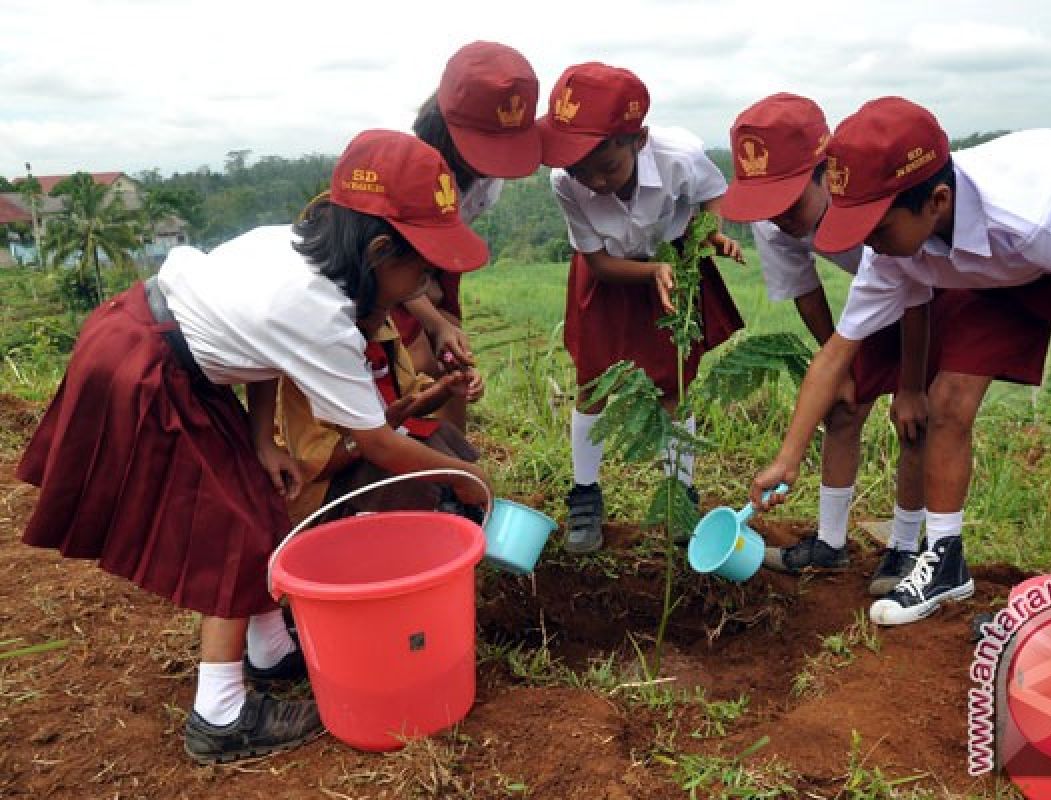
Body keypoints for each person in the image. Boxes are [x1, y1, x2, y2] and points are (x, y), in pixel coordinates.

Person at [16, 130, 491, 762]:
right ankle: (220, 718)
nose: (424, 281)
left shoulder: (300, 247)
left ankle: (271, 653)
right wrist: (464, 476)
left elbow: (266, 355)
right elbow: (380, 443)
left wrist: (262, 438)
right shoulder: (320, 315)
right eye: (420, 267)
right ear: (378, 251)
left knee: (260, 503)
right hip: (146, 367)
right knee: (232, 533)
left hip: (169, 349)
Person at [750, 97, 1051, 626]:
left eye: (876, 228)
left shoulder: (1038, 217)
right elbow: (835, 354)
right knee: (947, 402)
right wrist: (788, 457)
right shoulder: (897, 247)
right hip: (984, 269)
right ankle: (944, 562)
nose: (868, 244)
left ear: (935, 201)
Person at [721, 93, 962, 595]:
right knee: (843, 407)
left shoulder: (872, 199)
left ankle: (903, 547)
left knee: (915, 418)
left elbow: (919, 295)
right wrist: (839, 361)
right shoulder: (774, 221)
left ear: (827, 173)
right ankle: (830, 544)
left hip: (937, 292)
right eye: (768, 206)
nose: (780, 218)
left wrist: (910, 384)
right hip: (872, 301)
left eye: (790, 202)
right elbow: (805, 291)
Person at [537, 61, 745, 554]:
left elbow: (713, 198)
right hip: (610, 278)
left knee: (675, 383)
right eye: (580, 170)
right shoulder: (565, 183)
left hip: (676, 266)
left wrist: (705, 235)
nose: (595, 182)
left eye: (606, 166)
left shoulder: (681, 157)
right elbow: (600, 263)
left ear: (639, 140)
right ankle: (585, 495)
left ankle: (680, 494)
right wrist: (651, 274)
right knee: (593, 384)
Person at [402, 40, 543, 430]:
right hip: (387, 275)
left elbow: (447, 259)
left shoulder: (485, 182)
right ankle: (406, 467)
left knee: (453, 363)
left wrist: (445, 318)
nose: (489, 164)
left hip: (435, 269)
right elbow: (388, 268)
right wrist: (434, 319)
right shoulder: (410, 176)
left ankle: (455, 465)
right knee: (413, 369)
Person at [277, 306, 482, 527]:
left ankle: (458, 519)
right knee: (404, 478)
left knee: (438, 434)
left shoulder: (381, 328)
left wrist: (446, 388)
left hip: (380, 438)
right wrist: (374, 434)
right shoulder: (308, 360)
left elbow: (407, 396)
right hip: (332, 484)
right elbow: (313, 467)